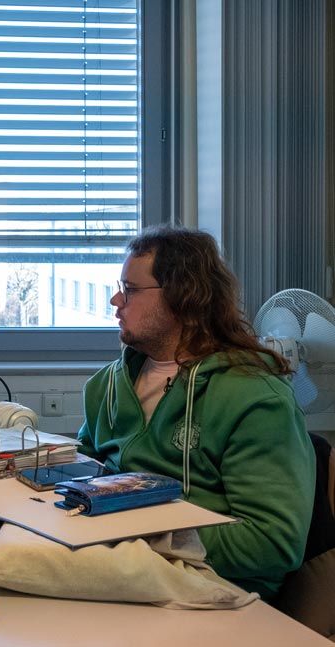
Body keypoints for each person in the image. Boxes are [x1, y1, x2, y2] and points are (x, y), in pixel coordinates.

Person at [78, 225, 315, 599]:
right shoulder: (105, 387)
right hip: (122, 564)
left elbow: (274, 542)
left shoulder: (254, 396)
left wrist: (139, 534)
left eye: (131, 289)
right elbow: (84, 476)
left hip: (217, 586)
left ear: (182, 296)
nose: (116, 301)